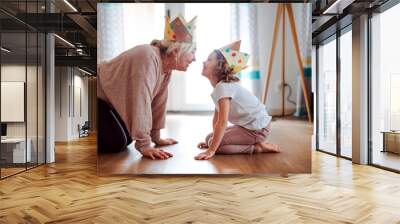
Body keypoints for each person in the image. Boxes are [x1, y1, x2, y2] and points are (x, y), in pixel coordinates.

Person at [97, 15, 197, 160]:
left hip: (108, 101)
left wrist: (155, 137)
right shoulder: (148, 56)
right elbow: (140, 99)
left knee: (129, 137)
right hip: (95, 95)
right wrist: (144, 145)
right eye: (192, 52)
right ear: (176, 50)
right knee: (117, 142)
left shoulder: (166, 68)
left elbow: (158, 102)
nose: (194, 58)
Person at [195, 40, 279, 160]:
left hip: (257, 129)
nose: (204, 62)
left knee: (217, 147)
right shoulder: (220, 87)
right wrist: (212, 140)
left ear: (219, 67)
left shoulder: (223, 88)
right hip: (249, 126)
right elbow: (217, 119)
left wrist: (212, 148)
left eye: (209, 60)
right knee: (209, 138)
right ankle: (216, 142)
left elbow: (223, 121)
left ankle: (257, 148)